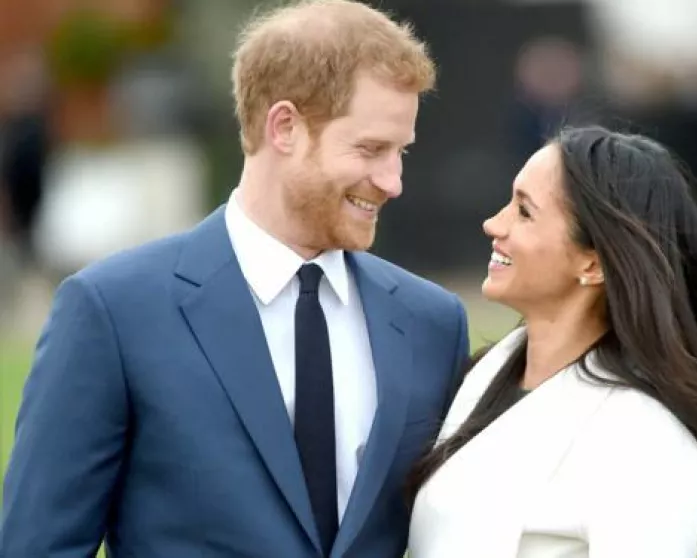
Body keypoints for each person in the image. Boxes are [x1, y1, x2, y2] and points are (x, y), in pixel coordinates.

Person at [0, 1, 469, 557]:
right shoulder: (113, 311)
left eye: (401, 152)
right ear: (285, 127)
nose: (393, 181)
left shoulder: (432, 324)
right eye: (371, 150)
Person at [408, 126, 697, 557]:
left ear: (593, 264)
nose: (494, 224)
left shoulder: (645, 440)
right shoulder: (486, 374)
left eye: (524, 212)